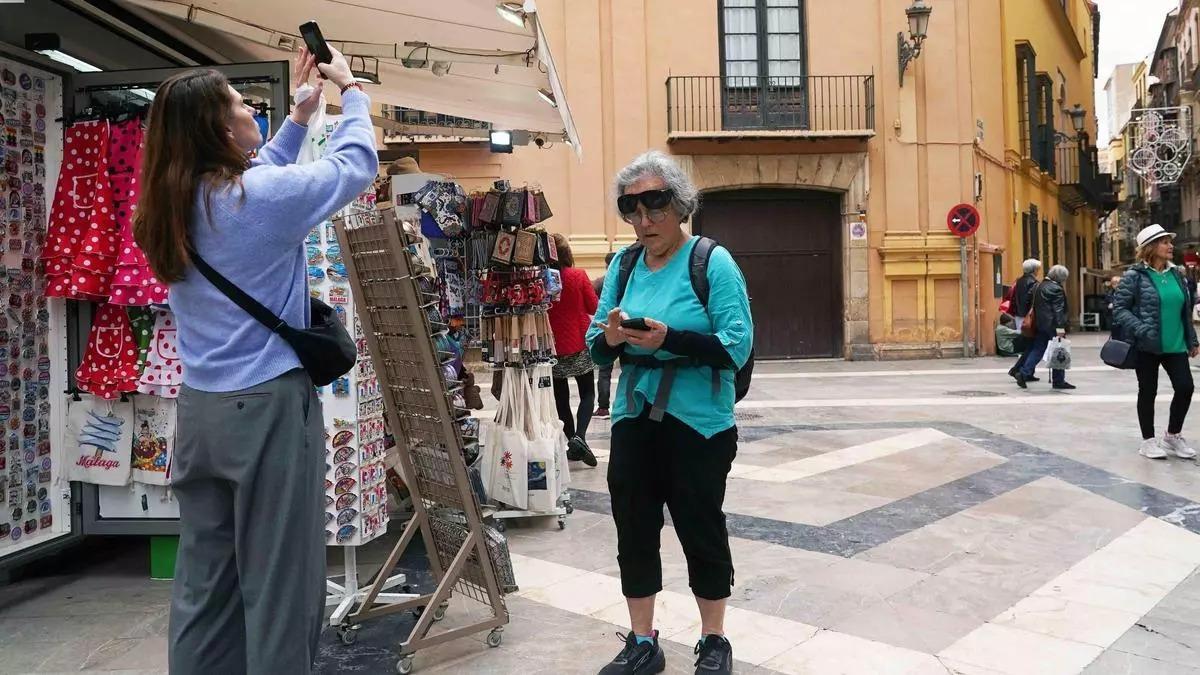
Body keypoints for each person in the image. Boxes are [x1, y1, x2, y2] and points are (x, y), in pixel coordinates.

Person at [134, 48, 377, 674]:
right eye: (243, 106)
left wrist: (298, 120)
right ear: (222, 131)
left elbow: (254, 189)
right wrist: (350, 93)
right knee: (280, 581)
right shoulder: (255, 200)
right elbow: (355, 164)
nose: (253, 112)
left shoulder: (169, 205)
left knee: (204, 581)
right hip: (266, 408)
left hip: (202, 410)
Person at [587, 151, 753, 675]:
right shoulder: (623, 264)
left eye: (654, 206)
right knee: (632, 527)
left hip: (699, 420)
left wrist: (670, 338)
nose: (643, 221)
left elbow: (735, 345)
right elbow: (594, 344)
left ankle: (713, 640)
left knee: (699, 525)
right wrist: (612, 337)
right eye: (631, 209)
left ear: (679, 206)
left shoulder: (711, 261)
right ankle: (643, 642)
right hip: (634, 416)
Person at [1112, 224, 1199, 460]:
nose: (1171, 246)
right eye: (1164, 242)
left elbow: (1185, 309)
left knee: (1185, 387)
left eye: (1169, 242)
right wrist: (1141, 328)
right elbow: (1119, 309)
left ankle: (1172, 437)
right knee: (1148, 391)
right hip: (1147, 345)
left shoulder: (1176, 274)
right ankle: (1148, 441)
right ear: (1150, 247)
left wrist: (1192, 339)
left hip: (1175, 344)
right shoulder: (1135, 276)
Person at [548, 232, 600, 467]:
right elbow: (592, 306)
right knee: (588, 392)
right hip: (579, 342)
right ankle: (580, 435)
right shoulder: (578, 275)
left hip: (553, 346)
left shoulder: (544, 280)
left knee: (561, 398)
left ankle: (573, 441)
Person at [1013, 265, 1074, 390]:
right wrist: (1060, 329)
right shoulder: (1056, 289)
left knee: (1038, 349)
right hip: (1052, 326)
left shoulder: (1038, 285)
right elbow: (1058, 311)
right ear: (1060, 278)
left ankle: (1023, 373)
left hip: (1040, 324)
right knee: (1059, 349)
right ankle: (1058, 381)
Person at [1007, 259, 1043, 382]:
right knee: (1032, 345)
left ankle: (1026, 371)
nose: (1039, 271)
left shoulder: (1018, 281)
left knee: (1029, 345)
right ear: (1034, 270)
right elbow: (1031, 301)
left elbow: (1012, 299)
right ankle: (1020, 370)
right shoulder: (1033, 283)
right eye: (1038, 269)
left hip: (1019, 316)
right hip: (1029, 317)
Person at [594, 251, 618, 418]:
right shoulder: (626, 277)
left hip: (606, 330)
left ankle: (603, 407)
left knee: (604, 371)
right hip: (625, 326)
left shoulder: (601, 282)